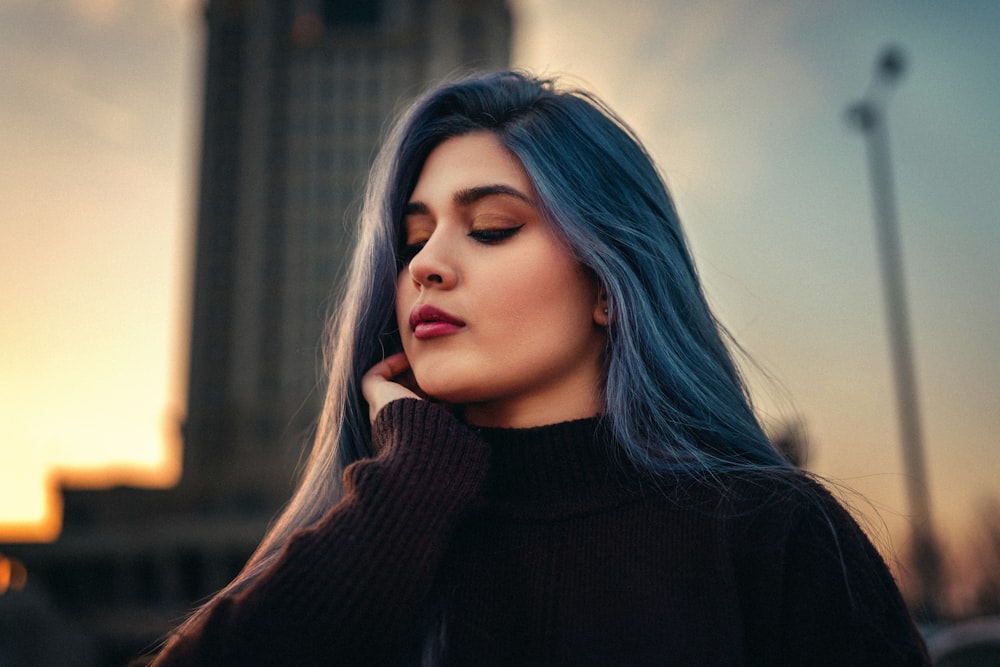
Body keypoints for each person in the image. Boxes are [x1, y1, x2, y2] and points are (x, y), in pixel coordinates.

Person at [150, 71, 929, 665]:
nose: (427, 264)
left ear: (609, 283)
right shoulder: (376, 537)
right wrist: (411, 480)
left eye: (490, 227)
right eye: (413, 237)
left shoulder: (777, 534)